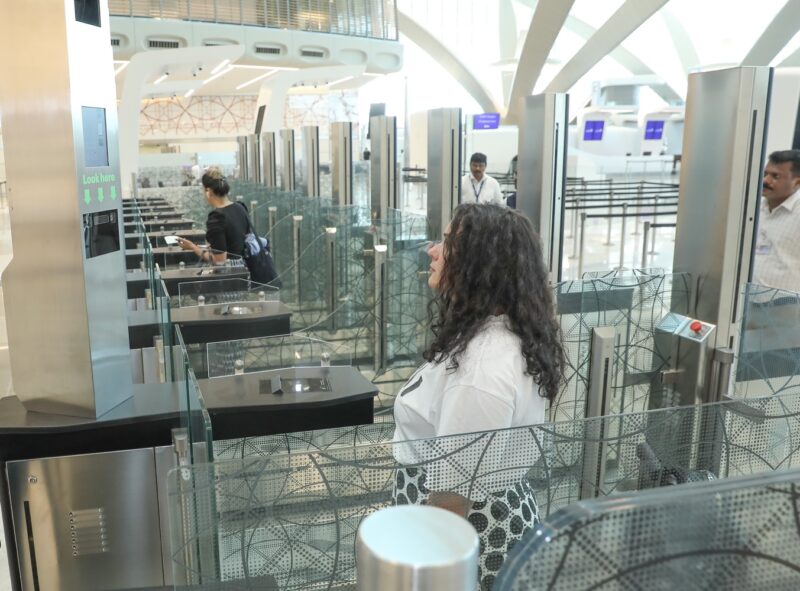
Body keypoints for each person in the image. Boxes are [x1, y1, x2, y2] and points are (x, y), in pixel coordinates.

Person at [392, 203, 564, 588]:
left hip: (469, 534)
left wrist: (430, 571)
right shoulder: (494, 334)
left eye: (448, 243)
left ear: (480, 264)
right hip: (482, 515)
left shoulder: (482, 370)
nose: (433, 250)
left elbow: (454, 494)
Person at [178, 167, 249, 266]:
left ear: (208, 192)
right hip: (247, 267)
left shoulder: (217, 218)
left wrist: (193, 247)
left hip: (232, 274)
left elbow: (219, 261)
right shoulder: (240, 207)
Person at [752, 150, 800, 293]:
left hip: (785, 306)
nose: (766, 180)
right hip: (747, 300)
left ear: (797, 182)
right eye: (765, 174)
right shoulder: (754, 210)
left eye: (775, 176)